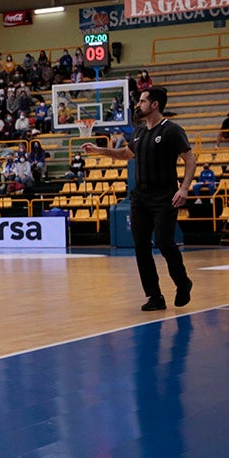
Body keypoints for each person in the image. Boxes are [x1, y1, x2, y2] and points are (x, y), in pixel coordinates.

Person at [82, 87, 195, 311]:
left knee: (164, 243)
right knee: (141, 247)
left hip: (164, 196)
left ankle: (183, 283)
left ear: (154, 105)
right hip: (140, 197)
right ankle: (154, 296)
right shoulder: (139, 131)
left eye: (142, 101)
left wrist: (183, 189)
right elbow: (126, 154)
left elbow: (190, 160)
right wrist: (100, 150)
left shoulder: (172, 130)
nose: (138, 105)